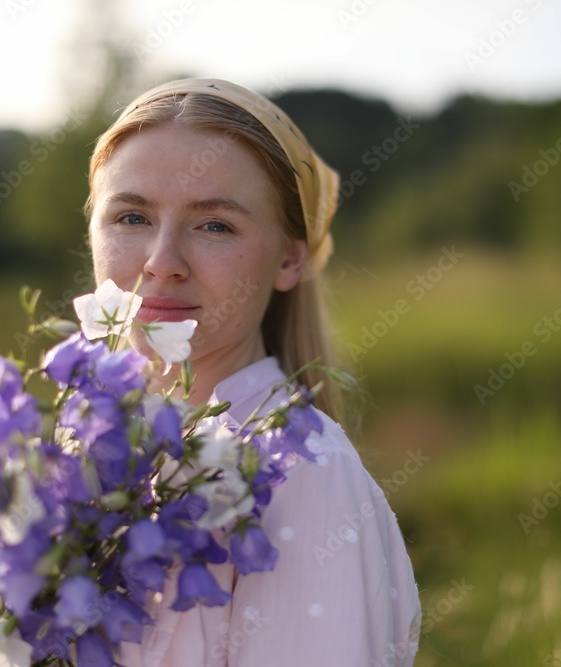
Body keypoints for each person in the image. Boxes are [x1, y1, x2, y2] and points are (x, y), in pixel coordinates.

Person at [85, 78, 421, 666]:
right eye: (132, 217)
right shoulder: (84, 441)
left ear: (289, 258)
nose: (162, 263)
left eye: (214, 225)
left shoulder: (301, 472)